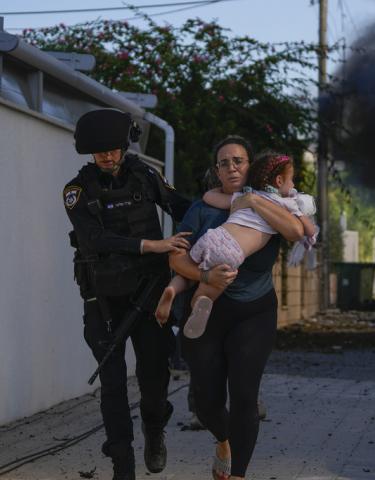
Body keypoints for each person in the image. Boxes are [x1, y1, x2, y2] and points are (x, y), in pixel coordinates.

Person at [63, 109, 191, 480]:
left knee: (154, 379)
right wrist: (150, 245)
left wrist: (223, 210)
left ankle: (154, 430)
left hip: (149, 294)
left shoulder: (145, 175)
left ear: (124, 146)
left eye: (113, 149)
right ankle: (123, 466)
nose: (107, 156)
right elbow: (94, 239)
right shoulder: (77, 190)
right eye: (99, 151)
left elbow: (178, 206)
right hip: (103, 300)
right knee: (113, 385)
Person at [168, 136, 305, 480]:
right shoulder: (200, 210)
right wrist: (204, 273)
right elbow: (176, 257)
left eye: (238, 160)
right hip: (208, 309)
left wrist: (254, 204)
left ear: (251, 165)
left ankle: (238, 474)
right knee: (206, 401)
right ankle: (223, 438)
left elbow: (295, 229)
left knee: (245, 394)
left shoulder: (269, 202)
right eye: (224, 162)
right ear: (216, 170)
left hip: (254, 311)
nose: (232, 167)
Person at [155, 151, 316, 338]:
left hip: (214, 237)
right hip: (232, 253)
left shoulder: (246, 195)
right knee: (210, 288)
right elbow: (308, 231)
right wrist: (304, 217)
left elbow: (209, 197)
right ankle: (201, 303)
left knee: (189, 271)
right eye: (292, 181)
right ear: (279, 181)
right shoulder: (287, 205)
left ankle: (172, 289)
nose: (294, 185)